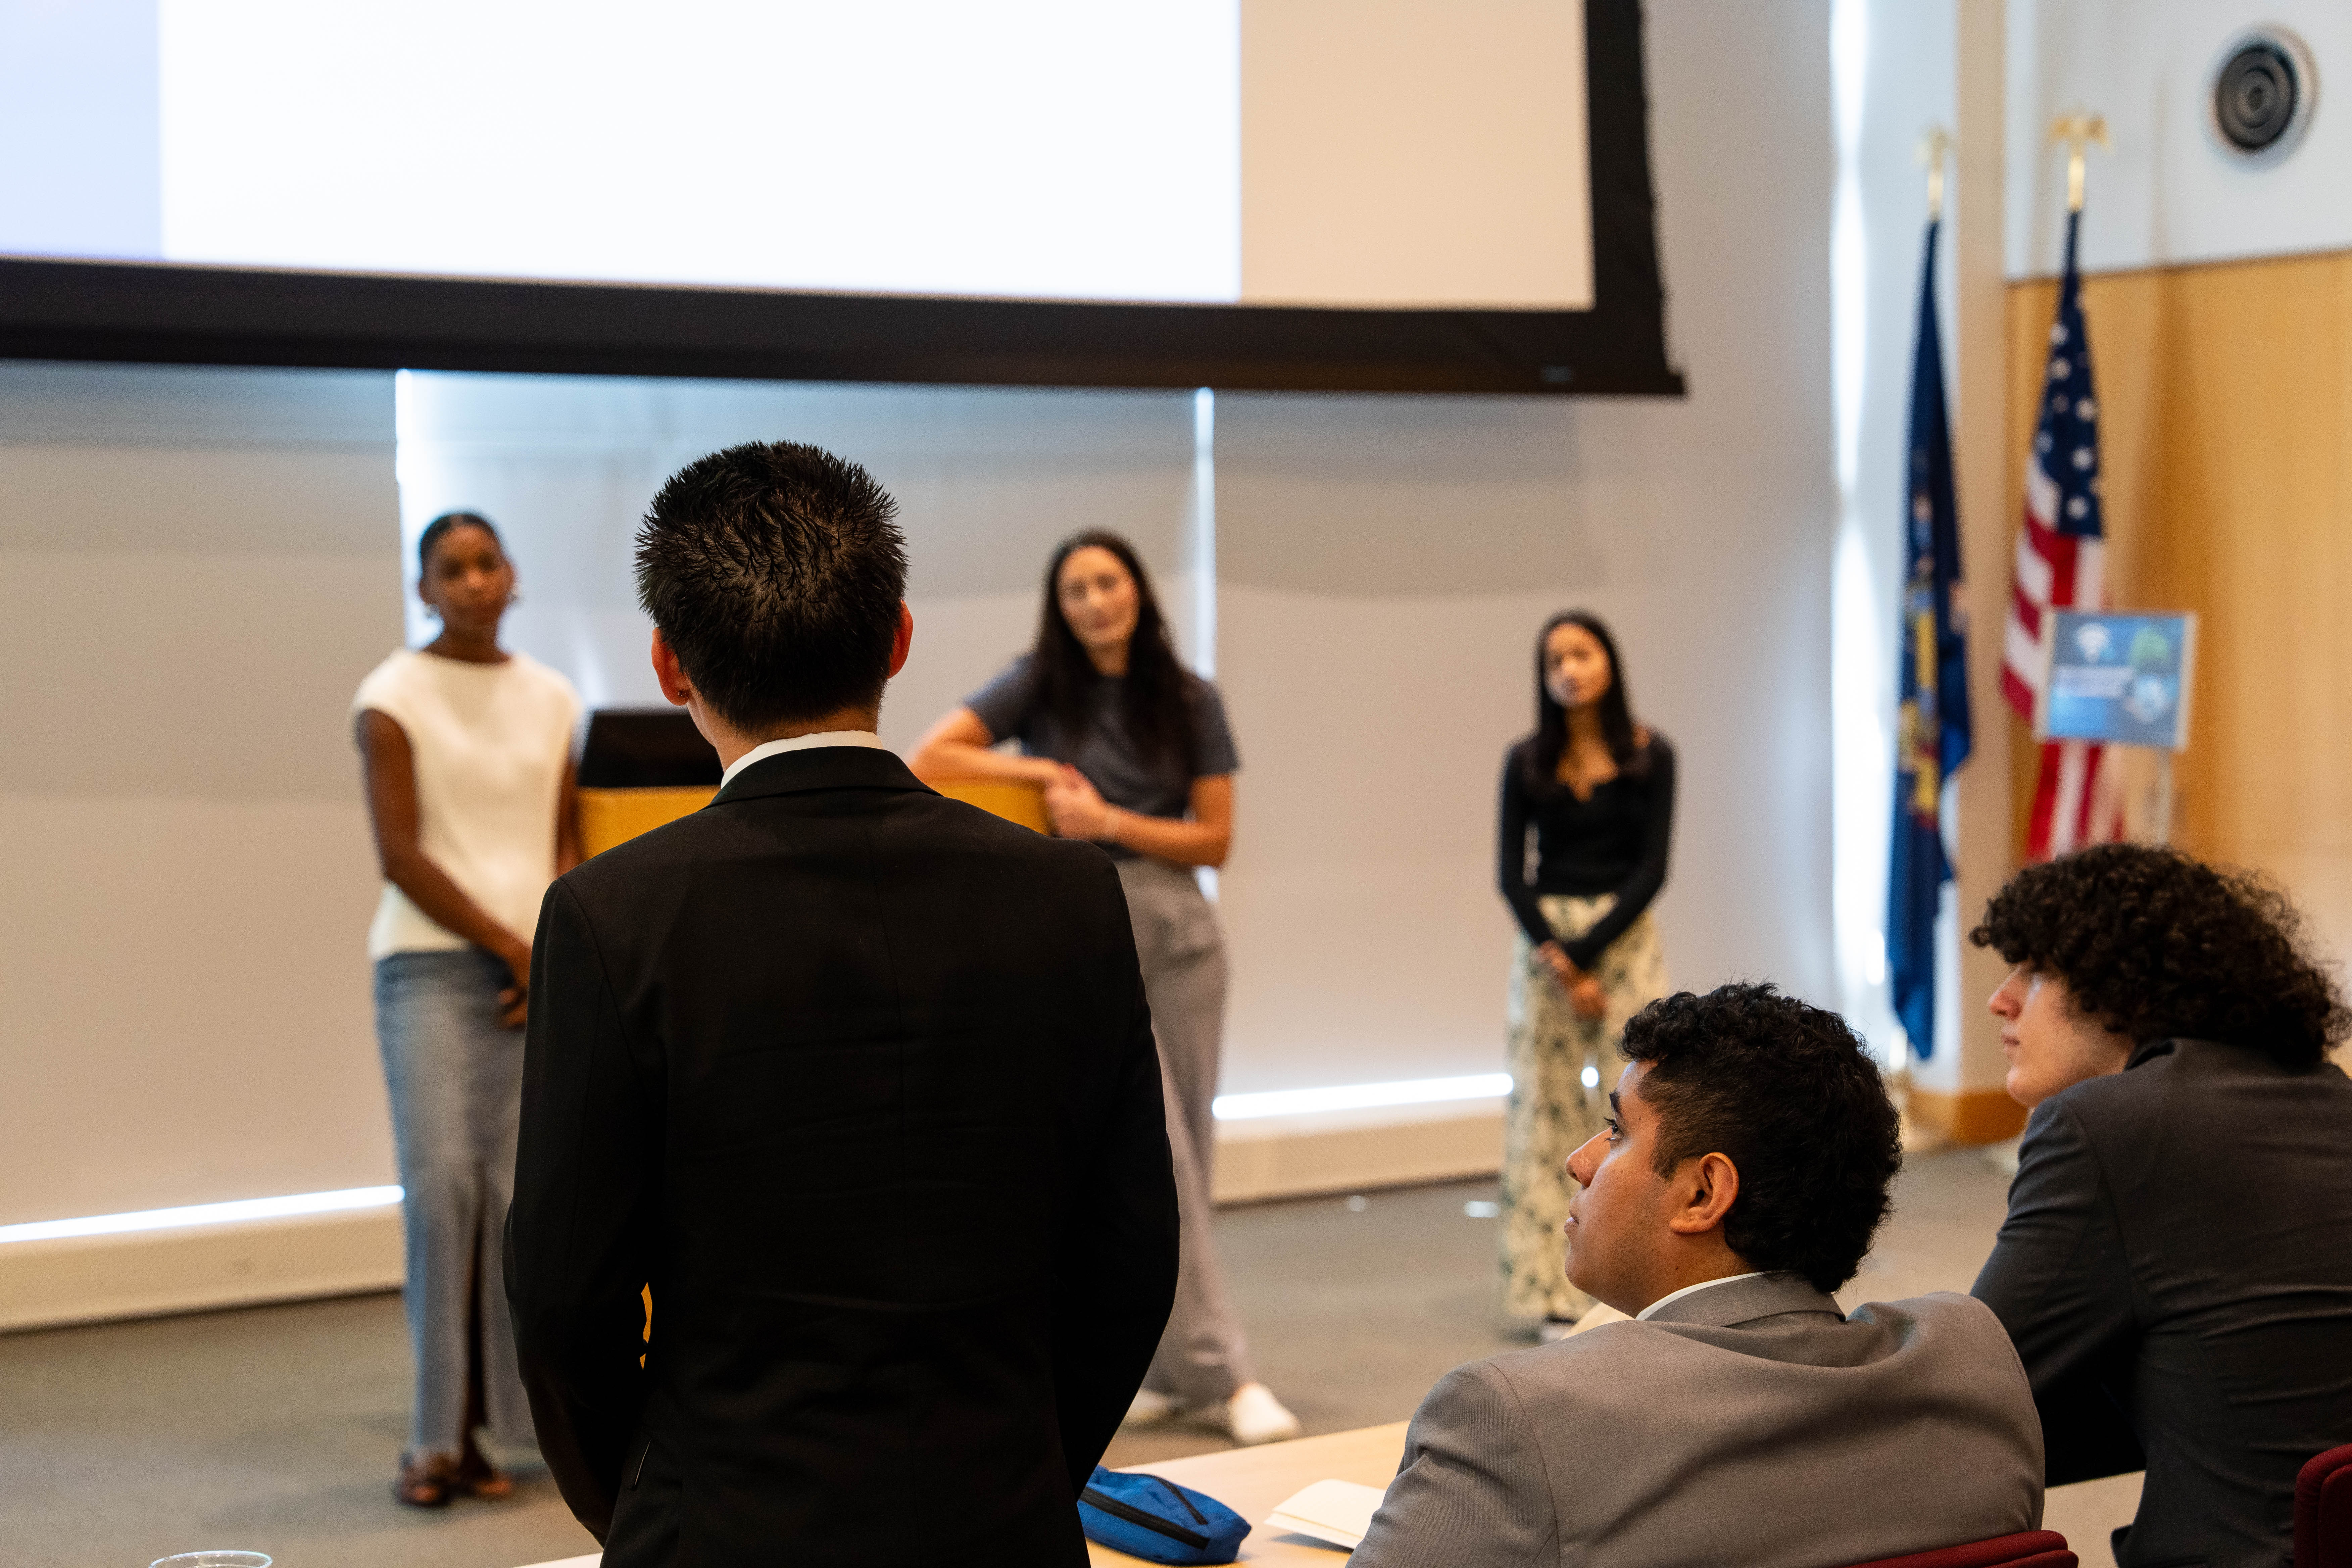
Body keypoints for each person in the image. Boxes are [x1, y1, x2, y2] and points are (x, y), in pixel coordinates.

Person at [504, 444, 1180, 1566]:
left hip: (721, 1524)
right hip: (1002, 1519)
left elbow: (563, 1302)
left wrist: (644, 1500)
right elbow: (1130, 1254)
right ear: (899, 638)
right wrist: (1026, 1464)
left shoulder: (609, 915)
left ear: (671, 665)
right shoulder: (1065, 893)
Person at [1354, 984, 2043, 1568]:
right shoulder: (1973, 1362)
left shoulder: (1516, 1416)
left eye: (1617, 1131)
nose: (1578, 1160)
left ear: (1703, 1193)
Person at [908, 530, 1300, 1448]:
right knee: (1154, 1150)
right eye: (1077, 588)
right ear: (1062, 604)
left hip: (1186, 934)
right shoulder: (1038, 683)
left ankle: (1165, 1366)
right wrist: (1041, 771)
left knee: (1187, 1158)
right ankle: (1225, 1371)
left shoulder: (1191, 698)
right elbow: (935, 755)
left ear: (1137, 594)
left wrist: (1109, 816)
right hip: (1095, 926)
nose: (1095, 601)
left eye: (1108, 583)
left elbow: (1215, 840)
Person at [1969, 843, 2352, 1568]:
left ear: (2127, 988)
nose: (2003, 997)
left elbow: (1976, 1381)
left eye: (2039, 970)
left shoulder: (2104, 1124)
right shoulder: (2334, 1095)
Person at [353, 511, 580, 1507]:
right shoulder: (390, 696)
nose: (476, 581)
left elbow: (563, 840)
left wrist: (556, 950)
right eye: (453, 569)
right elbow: (401, 855)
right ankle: (431, 1442)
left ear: (513, 576)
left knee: (509, 1205)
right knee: (443, 1191)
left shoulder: (553, 696)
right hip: (435, 969)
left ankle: (492, 1436)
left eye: (489, 563)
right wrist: (512, 945)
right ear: (425, 589)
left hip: (534, 970)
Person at [1496, 610, 1675, 1336]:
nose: (1569, 668)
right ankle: (1549, 1286)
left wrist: (1591, 953)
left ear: (1610, 660)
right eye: (1555, 659)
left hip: (1625, 941)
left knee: (1643, 1106)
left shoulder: (1650, 753)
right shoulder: (1526, 760)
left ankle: (1638, 1275)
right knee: (1545, 1116)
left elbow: (1653, 865)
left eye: (1582, 652)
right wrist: (1560, 958)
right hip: (1545, 952)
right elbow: (1511, 873)